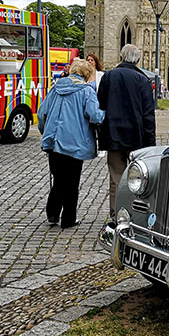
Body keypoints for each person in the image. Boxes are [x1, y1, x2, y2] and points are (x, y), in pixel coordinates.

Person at [37, 58, 105, 229]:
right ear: (86, 74)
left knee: (58, 178)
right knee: (72, 181)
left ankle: (52, 213)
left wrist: (46, 132)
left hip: (54, 141)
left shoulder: (55, 88)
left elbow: (42, 113)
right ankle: (68, 218)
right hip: (75, 142)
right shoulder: (86, 91)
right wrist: (106, 115)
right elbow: (94, 115)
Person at [97, 44, 157, 221]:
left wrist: (103, 131)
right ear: (138, 59)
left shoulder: (108, 77)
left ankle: (117, 215)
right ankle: (134, 215)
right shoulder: (142, 80)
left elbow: (100, 107)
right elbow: (148, 114)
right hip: (136, 138)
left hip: (113, 135)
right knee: (137, 178)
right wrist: (150, 143)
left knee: (116, 177)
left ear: (121, 56)